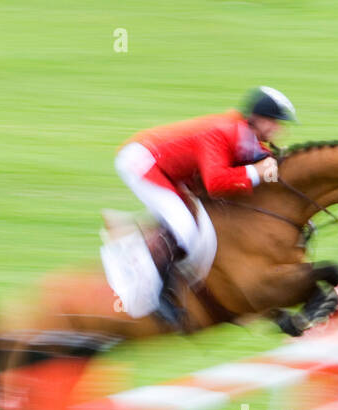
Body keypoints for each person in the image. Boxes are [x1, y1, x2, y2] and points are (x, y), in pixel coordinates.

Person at [113, 86, 297, 329]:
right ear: (259, 119)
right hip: (142, 162)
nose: (279, 129)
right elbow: (215, 183)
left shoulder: (247, 136)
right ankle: (158, 295)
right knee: (185, 228)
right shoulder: (222, 132)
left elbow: (260, 161)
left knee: (190, 220)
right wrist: (256, 172)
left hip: (166, 166)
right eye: (275, 122)